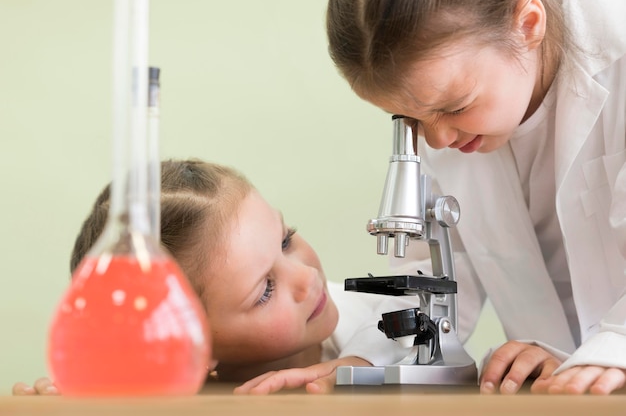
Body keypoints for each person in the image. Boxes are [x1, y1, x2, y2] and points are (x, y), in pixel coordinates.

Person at [290, 0, 626, 395]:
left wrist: (613, 347)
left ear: (528, 24)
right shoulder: (453, 104)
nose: (437, 140)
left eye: (454, 108)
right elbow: (438, 274)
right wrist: (370, 356)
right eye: (408, 119)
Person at [13, 159, 415, 396]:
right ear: (189, 342)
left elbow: (435, 340)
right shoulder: (174, 389)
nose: (307, 278)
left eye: (286, 240)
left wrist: (360, 364)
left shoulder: (376, 321)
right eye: (265, 291)